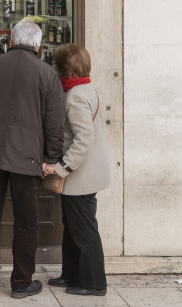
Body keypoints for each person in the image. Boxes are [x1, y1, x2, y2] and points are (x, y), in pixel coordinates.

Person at [0, 20, 65, 300]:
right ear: (38, 45)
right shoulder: (46, 74)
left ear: (10, 40)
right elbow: (55, 123)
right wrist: (52, 158)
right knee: (26, 222)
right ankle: (21, 283)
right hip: (28, 158)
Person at [43, 43, 109, 297]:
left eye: (56, 64)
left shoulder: (76, 95)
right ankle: (71, 274)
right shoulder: (84, 88)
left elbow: (83, 140)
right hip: (82, 174)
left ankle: (94, 283)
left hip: (81, 175)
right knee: (72, 226)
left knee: (83, 229)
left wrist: (61, 168)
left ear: (64, 69)